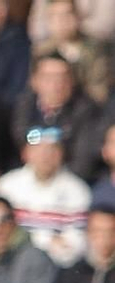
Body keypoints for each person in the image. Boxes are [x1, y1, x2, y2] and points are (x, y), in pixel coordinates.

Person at [0, 126, 91, 269]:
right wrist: (48, 239)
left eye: (52, 149)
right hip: (10, 266)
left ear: (62, 154)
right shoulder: (6, 186)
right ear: (25, 153)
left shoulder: (78, 190)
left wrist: (28, 238)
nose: (45, 156)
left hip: (57, 269)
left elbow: (74, 247)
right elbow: (0, 235)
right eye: (38, 150)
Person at [10, 52, 102, 184]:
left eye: (63, 78)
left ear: (72, 82)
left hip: (68, 182)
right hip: (26, 178)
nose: (57, 85)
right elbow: (18, 142)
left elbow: (84, 160)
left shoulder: (86, 110)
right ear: (34, 81)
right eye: (49, 78)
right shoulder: (23, 106)